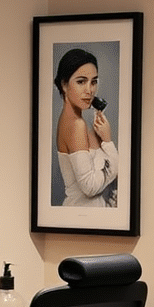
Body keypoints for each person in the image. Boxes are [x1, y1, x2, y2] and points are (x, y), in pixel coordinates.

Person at [54, 47, 117, 206]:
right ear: (64, 85)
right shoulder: (76, 125)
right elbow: (90, 187)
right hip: (82, 216)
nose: (89, 90)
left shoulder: (80, 123)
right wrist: (108, 141)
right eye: (81, 82)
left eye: (93, 82)